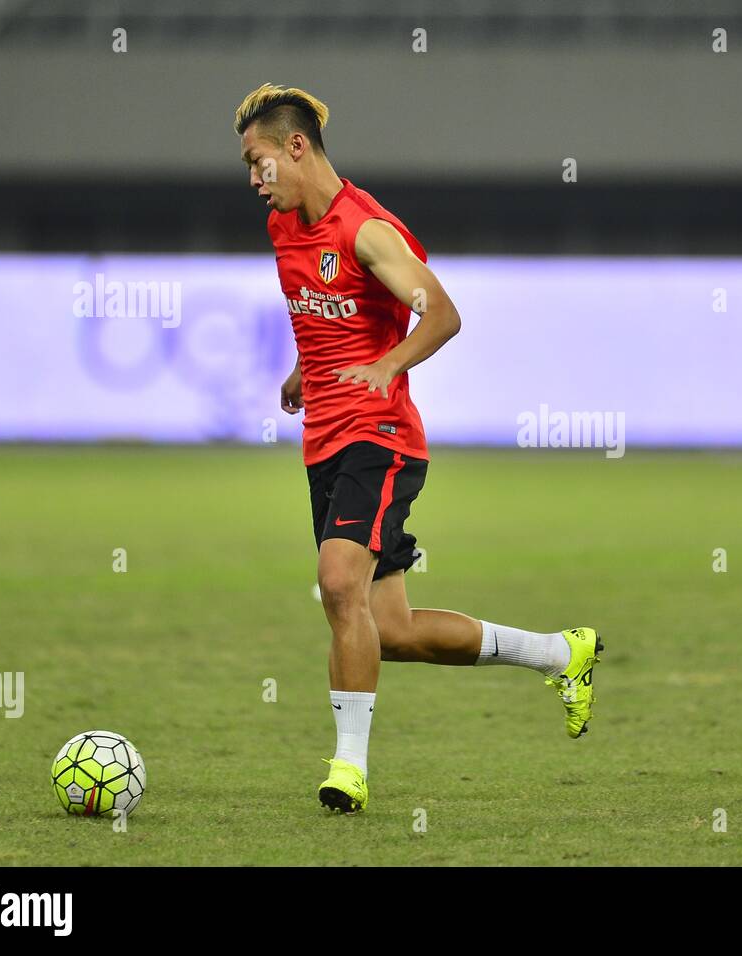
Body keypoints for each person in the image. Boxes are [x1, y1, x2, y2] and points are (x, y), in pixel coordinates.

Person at [234, 83, 602, 812]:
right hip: (326, 444)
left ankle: (349, 770)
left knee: (338, 581)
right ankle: (563, 654)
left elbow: (443, 311)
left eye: (257, 160)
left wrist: (388, 366)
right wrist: (306, 371)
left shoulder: (364, 229)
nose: (252, 178)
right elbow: (332, 312)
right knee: (390, 630)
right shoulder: (284, 229)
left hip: (383, 437)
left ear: (296, 148)